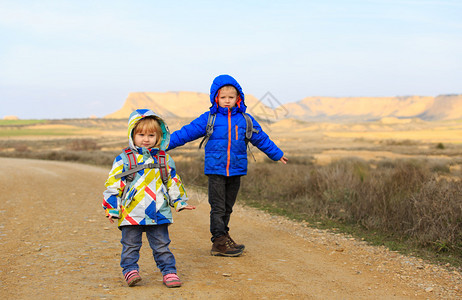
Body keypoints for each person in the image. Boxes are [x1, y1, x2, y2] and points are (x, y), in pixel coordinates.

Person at [168, 74, 288, 257]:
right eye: (223, 97)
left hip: (237, 169)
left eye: (231, 98)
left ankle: (223, 236)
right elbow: (185, 133)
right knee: (218, 207)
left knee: (228, 207)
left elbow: (261, 139)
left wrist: (277, 154)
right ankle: (219, 242)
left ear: (238, 98)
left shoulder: (246, 120)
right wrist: (160, 145)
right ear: (216, 98)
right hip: (215, 170)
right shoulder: (209, 118)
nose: (227, 101)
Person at [102, 109, 195, 288]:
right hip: (131, 212)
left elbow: (172, 182)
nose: (146, 139)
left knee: (162, 245)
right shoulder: (124, 160)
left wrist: (179, 202)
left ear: (159, 136)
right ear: (132, 135)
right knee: (130, 245)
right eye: (141, 134)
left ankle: (169, 272)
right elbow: (113, 185)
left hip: (158, 211)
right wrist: (112, 208)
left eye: (151, 135)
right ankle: (130, 270)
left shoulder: (164, 159)